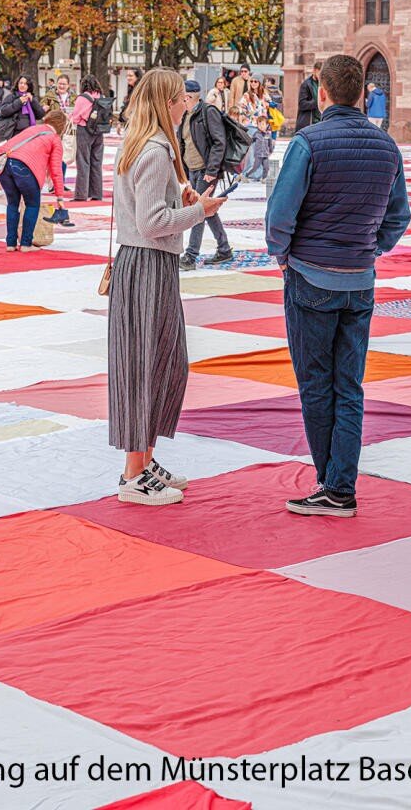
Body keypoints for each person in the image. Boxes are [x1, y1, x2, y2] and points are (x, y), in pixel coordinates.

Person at [267, 55, 409, 517]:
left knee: (315, 383)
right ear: (363, 92)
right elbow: (398, 216)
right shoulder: (387, 146)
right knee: (349, 385)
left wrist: (284, 254)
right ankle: (340, 483)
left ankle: (331, 482)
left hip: (310, 273)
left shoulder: (308, 141)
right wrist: (371, 248)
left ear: (321, 93)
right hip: (359, 279)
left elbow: (280, 215)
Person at [110, 69, 227, 505]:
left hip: (146, 263)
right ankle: (133, 472)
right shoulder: (155, 150)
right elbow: (151, 222)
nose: (186, 104)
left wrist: (185, 201)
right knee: (146, 363)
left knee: (162, 360)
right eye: (180, 98)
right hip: (146, 263)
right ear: (165, 103)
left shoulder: (146, 145)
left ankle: (144, 461)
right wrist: (202, 211)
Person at [0, 108, 69, 251]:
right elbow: (56, 171)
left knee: (12, 204)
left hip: (5, 165)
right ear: (61, 126)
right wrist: (60, 197)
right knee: (32, 204)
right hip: (25, 168)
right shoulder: (54, 139)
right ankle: (26, 244)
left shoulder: (33, 129)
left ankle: (10, 243)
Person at [178, 79, 234, 269]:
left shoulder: (207, 112)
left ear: (187, 96)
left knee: (198, 210)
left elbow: (219, 142)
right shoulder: (185, 115)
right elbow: (183, 144)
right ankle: (224, 249)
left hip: (205, 171)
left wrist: (212, 171)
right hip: (192, 171)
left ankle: (191, 256)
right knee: (206, 209)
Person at [71, 75, 111, 200]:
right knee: (96, 163)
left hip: (84, 131)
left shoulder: (82, 98)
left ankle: (81, 194)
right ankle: (96, 194)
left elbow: (76, 117)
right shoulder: (102, 97)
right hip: (99, 132)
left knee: (83, 162)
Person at [244, 115, 274, 182]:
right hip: (258, 155)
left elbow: (270, 143)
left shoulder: (268, 135)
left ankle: (264, 178)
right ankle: (246, 175)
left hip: (265, 154)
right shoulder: (256, 134)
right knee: (255, 167)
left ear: (267, 125)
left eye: (263, 124)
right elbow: (251, 141)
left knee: (266, 167)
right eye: (259, 124)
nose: (261, 126)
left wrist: (271, 151)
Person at [295, 61, 322, 131]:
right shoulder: (306, 84)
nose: (322, 76)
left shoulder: (324, 84)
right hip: (310, 123)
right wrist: (317, 102)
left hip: (322, 123)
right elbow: (302, 104)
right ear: (314, 71)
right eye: (320, 73)